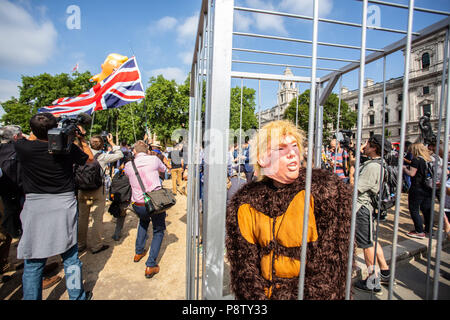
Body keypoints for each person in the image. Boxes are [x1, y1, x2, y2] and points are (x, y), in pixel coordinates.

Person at [226, 120, 353, 300]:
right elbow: (243, 268)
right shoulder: (245, 201)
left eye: (295, 146)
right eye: (281, 149)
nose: (292, 153)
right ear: (262, 158)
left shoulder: (325, 189)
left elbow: (334, 266)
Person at [14, 113, 91, 300]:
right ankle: (77, 296)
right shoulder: (68, 148)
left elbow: (29, 137)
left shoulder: (23, 147)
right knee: (71, 257)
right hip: (63, 204)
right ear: (56, 127)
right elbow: (89, 160)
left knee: (33, 260)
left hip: (35, 205)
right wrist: (80, 139)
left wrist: (40, 130)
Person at [352, 134, 393, 295]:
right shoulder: (374, 163)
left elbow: (357, 188)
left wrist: (351, 177)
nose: (365, 145)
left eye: (367, 143)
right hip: (364, 208)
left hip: (362, 208)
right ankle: (384, 271)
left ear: (374, 147)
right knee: (372, 240)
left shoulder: (373, 167)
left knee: (366, 245)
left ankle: (372, 280)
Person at [124, 140, 167, 279]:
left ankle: (138, 252)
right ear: (147, 151)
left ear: (134, 152)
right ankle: (151, 264)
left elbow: (126, 175)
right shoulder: (154, 159)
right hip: (155, 202)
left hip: (138, 203)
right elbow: (164, 170)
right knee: (158, 230)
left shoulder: (128, 165)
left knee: (143, 223)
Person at [77, 133, 123, 254]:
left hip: (82, 189)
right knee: (97, 218)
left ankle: (80, 244)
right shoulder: (102, 156)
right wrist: (112, 142)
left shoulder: (80, 153)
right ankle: (96, 245)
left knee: (82, 217)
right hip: (97, 189)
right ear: (102, 144)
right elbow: (120, 154)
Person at [403, 143, 433, 239]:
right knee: (426, 209)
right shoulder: (428, 160)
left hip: (417, 187)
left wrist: (404, 169)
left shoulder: (417, 160)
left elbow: (412, 173)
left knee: (414, 209)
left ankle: (419, 230)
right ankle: (428, 229)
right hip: (428, 187)